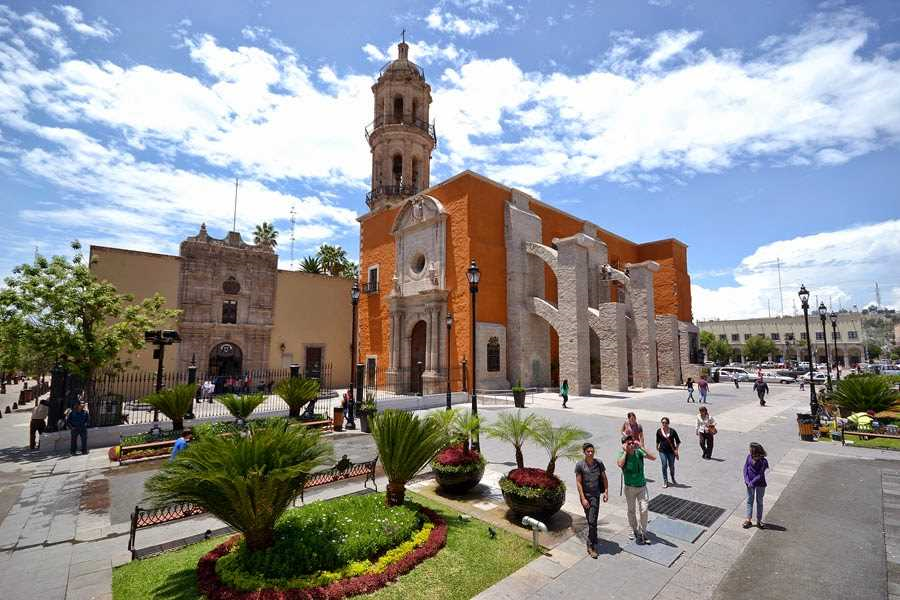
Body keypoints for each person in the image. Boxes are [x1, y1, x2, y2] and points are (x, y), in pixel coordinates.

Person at [617, 434, 656, 545]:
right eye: (628, 443)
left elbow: (653, 457)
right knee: (631, 510)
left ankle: (643, 531)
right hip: (629, 487)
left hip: (642, 487)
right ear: (624, 445)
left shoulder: (638, 452)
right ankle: (634, 529)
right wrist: (625, 452)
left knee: (644, 509)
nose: (631, 445)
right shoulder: (621, 454)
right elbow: (620, 464)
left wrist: (641, 447)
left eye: (632, 442)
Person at [575, 442, 609, 558]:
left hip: (595, 496)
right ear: (584, 452)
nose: (590, 453)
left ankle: (591, 545)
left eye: (592, 451)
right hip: (585, 496)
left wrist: (606, 492)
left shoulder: (598, 463)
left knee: (592, 520)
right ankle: (593, 539)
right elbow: (578, 483)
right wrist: (583, 498)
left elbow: (604, 478)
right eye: (588, 451)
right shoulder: (580, 465)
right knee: (591, 521)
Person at [743, 442, 769, 529]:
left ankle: (759, 520)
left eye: (750, 449)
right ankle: (748, 519)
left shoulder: (763, 461)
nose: (749, 451)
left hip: (760, 484)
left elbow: (760, 474)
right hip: (749, 483)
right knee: (749, 500)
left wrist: (752, 482)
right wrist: (747, 480)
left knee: (759, 501)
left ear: (755, 451)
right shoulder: (749, 457)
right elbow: (745, 468)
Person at [655, 417, 681, 488]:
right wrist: (657, 446)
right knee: (664, 464)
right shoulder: (659, 431)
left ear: (668, 423)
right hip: (662, 451)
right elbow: (657, 440)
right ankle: (665, 481)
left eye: (665, 423)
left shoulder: (673, 431)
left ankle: (672, 477)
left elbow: (678, 441)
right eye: (663, 422)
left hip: (671, 451)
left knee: (671, 466)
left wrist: (676, 450)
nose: (664, 424)